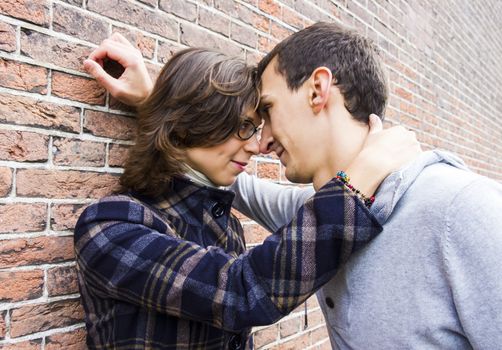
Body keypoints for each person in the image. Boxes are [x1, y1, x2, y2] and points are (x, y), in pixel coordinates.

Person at [92, 22, 502, 349]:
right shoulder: (320, 212)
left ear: (318, 91)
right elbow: (243, 285)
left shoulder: (463, 209)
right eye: (248, 126)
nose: (261, 142)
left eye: (266, 112)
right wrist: (159, 103)